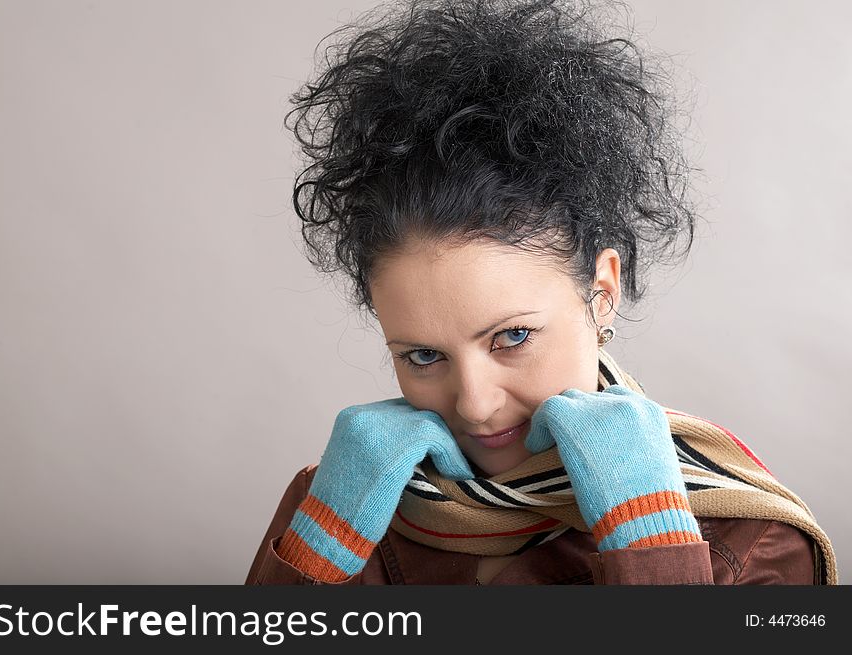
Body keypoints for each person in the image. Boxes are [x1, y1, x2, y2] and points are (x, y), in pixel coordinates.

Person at [245, 0, 837, 585]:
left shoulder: (749, 538)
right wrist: (318, 553)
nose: (474, 404)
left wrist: (647, 537)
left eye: (514, 337)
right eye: (423, 356)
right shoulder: (341, 502)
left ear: (602, 291)